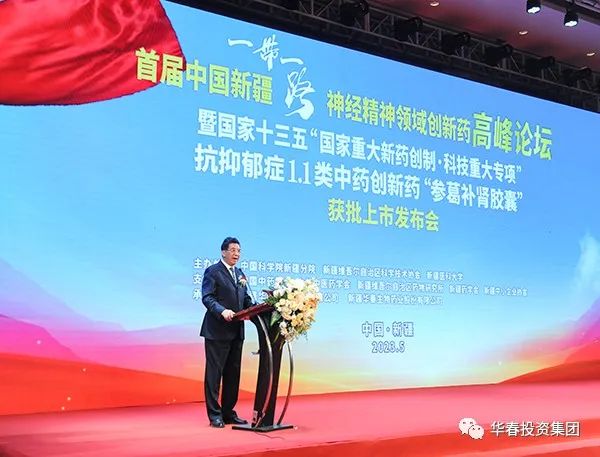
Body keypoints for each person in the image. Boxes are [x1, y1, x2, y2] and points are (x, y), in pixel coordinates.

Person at [201, 236, 254, 428]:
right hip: (217, 330)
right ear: (223, 252)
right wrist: (222, 311)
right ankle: (214, 415)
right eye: (233, 250)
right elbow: (207, 297)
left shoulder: (240, 273)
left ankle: (228, 412)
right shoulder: (213, 271)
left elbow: (245, 298)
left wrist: (254, 308)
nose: (236, 254)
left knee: (233, 374)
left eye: (239, 251)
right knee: (214, 375)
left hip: (236, 331)